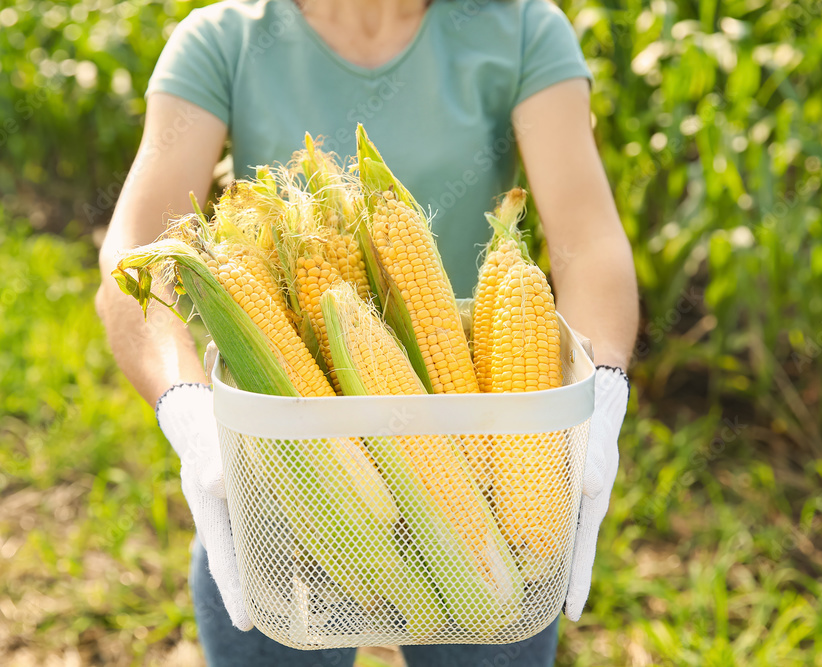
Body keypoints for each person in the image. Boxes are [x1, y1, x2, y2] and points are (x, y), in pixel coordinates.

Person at [95, 0, 639, 663]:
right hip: (288, 492)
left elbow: (590, 244)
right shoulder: (223, 40)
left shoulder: (523, 27)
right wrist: (185, 406)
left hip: (485, 487)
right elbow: (133, 262)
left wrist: (603, 384)